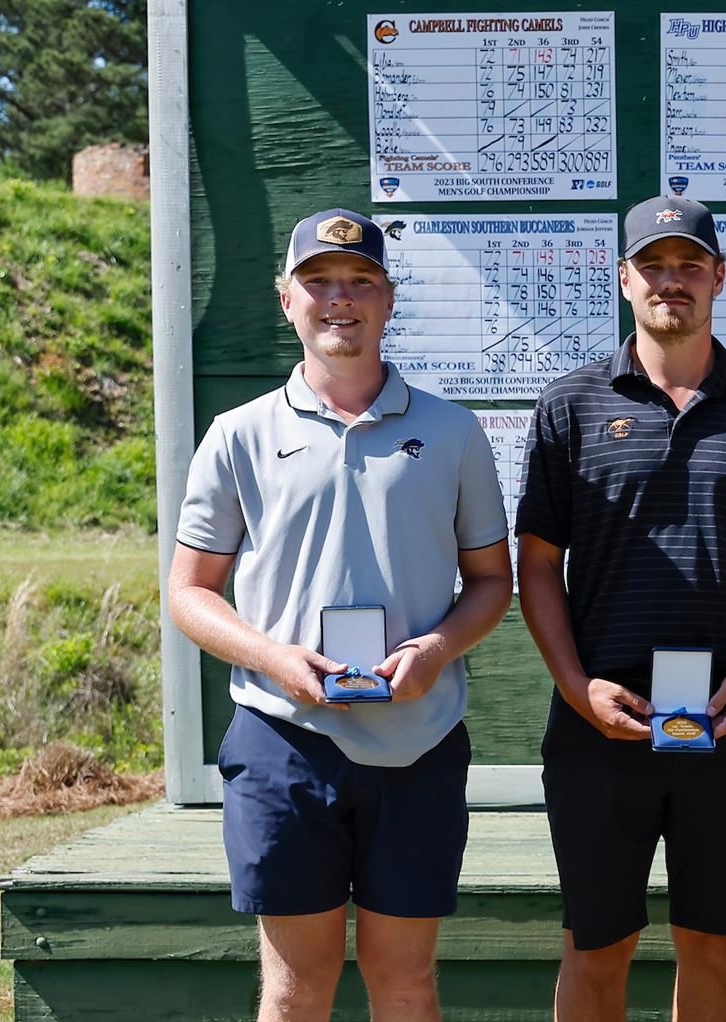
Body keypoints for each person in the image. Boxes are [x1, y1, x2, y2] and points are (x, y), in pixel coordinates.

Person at [169, 208, 513, 1022]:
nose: (340, 299)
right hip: (282, 735)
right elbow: (189, 591)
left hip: (418, 736)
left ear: (389, 300)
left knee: (407, 987)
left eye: (361, 282)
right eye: (319, 282)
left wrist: (435, 648)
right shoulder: (238, 435)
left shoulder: (454, 432)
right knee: (294, 993)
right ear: (285, 298)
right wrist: (273, 658)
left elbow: (492, 581)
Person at [514, 195, 726, 1022]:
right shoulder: (569, 405)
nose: (671, 282)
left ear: (719, 277)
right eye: (653, 266)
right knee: (596, 946)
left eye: (689, 264)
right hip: (600, 725)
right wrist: (575, 685)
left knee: (712, 946)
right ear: (624, 280)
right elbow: (538, 567)